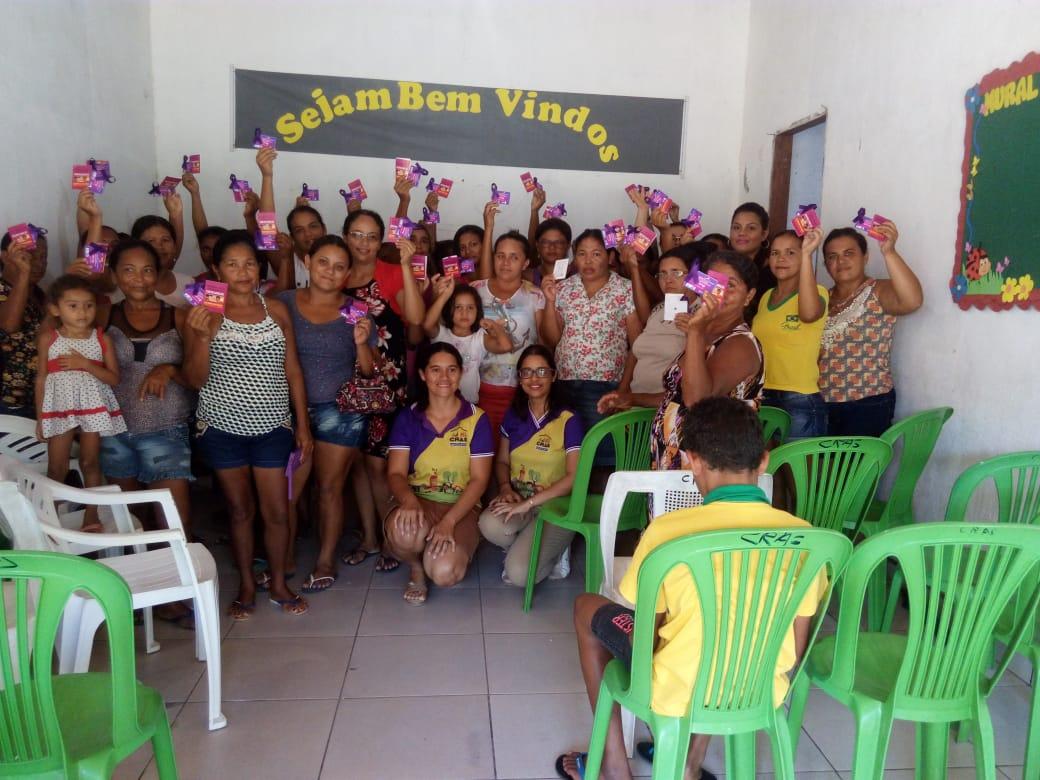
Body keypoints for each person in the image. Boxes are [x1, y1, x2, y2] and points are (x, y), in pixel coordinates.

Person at [556, 396, 826, 780]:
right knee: (727, 639)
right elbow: (796, 646)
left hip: (677, 690)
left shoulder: (668, 531)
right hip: (760, 690)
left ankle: (615, 767)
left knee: (587, 606)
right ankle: (689, 764)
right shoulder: (807, 539)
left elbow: (648, 634)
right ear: (763, 461)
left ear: (692, 460)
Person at [183, 230, 312, 620]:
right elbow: (194, 378)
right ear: (216, 269)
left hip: (273, 425)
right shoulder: (205, 312)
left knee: (276, 511)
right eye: (232, 264)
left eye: (250, 263)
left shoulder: (276, 310)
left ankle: (276, 582)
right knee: (240, 511)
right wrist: (204, 338)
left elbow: (292, 370)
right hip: (222, 429)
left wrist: (302, 424)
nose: (242, 271)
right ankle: (245, 583)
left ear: (260, 268)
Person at [276, 235, 377, 587]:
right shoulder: (282, 303)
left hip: (341, 411)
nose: (330, 272)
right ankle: (283, 557)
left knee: (329, 489)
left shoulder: (356, 311)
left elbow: (368, 372)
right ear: (307, 261)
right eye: (323, 263)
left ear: (348, 273)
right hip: (290, 410)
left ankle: (324, 560)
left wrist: (362, 343)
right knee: (288, 490)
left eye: (339, 267)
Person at [342, 208, 426, 573]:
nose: (364, 243)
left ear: (382, 241)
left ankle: (392, 541)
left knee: (378, 467)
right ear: (345, 237)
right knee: (357, 466)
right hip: (344, 381)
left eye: (372, 236)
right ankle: (370, 539)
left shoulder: (390, 274)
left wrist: (406, 266)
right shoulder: (335, 274)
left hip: (384, 384)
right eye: (357, 235)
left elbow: (418, 319)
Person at [97, 240, 195, 537]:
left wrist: (169, 369)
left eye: (147, 270)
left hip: (166, 431)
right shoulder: (104, 315)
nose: (138, 279)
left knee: (175, 527)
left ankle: (182, 581)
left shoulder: (179, 315)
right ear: (114, 274)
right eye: (128, 270)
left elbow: (197, 376)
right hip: (114, 430)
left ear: (158, 274)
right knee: (128, 524)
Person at [383, 343, 493, 605]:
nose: (444, 378)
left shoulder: (477, 419)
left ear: (461, 373)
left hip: (460, 507)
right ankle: (417, 567)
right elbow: (396, 473)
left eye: (451, 370)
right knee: (405, 534)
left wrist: (449, 522)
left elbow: (479, 480)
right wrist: (408, 502)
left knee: (444, 573)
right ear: (422, 374)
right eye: (435, 370)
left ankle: (449, 549)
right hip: (419, 501)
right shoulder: (408, 418)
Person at [646, 251, 764, 472]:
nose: (719, 293)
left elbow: (696, 401)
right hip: (674, 458)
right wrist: (630, 397)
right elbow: (677, 395)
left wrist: (695, 333)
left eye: (731, 286)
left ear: (749, 296)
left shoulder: (741, 343)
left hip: (710, 466)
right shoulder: (706, 334)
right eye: (713, 284)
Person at [479, 345, 583, 586]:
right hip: (519, 500)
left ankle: (555, 553)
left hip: (557, 507)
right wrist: (505, 488)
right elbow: (503, 460)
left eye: (541, 372)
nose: (534, 379)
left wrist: (530, 503)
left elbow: (573, 477)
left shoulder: (569, 419)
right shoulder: (514, 414)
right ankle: (529, 547)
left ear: (554, 376)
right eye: (526, 372)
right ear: (519, 378)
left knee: (518, 575)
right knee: (488, 524)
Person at [35, 275, 125, 532]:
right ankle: (50, 518)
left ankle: (91, 516)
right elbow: (41, 379)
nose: (82, 312)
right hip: (59, 409)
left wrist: (85, 364)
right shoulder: (48, 339)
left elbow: (114, 378)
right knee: (57, 466)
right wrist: (43, 417)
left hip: (92, 409)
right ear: (55, 309)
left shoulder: (101, 339)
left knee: (90, 463)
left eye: (88, 305)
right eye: (72, 306)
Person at [541, 229, 643, 447]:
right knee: (566, 450)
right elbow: (551, 340)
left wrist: (623, 388)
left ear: (610, 257)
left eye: (596, 254)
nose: (588, 261)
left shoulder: (625, 290)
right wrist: (550, 301)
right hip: (564, 382)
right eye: (581, 253)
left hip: (604, 387)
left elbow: (637, 346)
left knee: (600, 450)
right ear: (573, 257)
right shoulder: (564, 289)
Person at [819, 222, 922, 436]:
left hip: (867, 403)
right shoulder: (822, 298)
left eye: (849, 253)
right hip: (821, 404)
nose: (841, 261)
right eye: (832, 256)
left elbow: (912, 301)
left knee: (860, 469)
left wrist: (889, 252)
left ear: (865, 257)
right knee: (825, 470)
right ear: (826, 264)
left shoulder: (879, 290)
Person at [597, 242, 716, 414]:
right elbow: (635, 353)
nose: (668, 280)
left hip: (671, 410)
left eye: (677, 273)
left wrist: (695, 333)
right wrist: (621, 393)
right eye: (662, 274)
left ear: (694, 277)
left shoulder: (703, 314)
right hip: (635, 406)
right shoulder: (659, 310)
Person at [473, 207, 546, 445]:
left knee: (517, 453)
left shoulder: (535, 296)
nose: (506, 262)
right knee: (480, 453)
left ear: (525, 262)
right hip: (478, 387)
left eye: (514, 257)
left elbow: (543, 342)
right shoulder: (475, 291)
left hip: (522, 389)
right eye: (500, 255)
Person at [751, 229, 828, 439]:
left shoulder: (817, 292)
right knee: (770, 468)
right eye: (775, 253)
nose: (781, 259)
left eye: (791, 253)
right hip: (763, 393)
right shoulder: (766, 296)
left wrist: (807, 254)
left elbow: (810, 313)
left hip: (799, 396)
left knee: (799, 469)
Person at [421, 277, 512, 404]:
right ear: (449, 309)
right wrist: (445, 296)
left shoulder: (479, 338)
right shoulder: (441, 334)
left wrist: (493, 325)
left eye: (470, 308)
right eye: (458, 307)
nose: (464, 313)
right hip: (439, 403)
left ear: (477, 311)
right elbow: (426, 325)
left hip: (469, 406)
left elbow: (506, 346)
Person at [0, 224, 49, 417]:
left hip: (39, 400)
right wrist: (23, 274)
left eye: (43, 257)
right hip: (9, 404)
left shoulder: (38, 294)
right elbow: (9, 325)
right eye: (28, 255)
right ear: (4, 256)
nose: (37, 263)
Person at [729, 202, 774, 312]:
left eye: (751, 228)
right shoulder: (719, 264)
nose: (742, 233)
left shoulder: (773, 270)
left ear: (764, 234)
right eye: (736, 227)